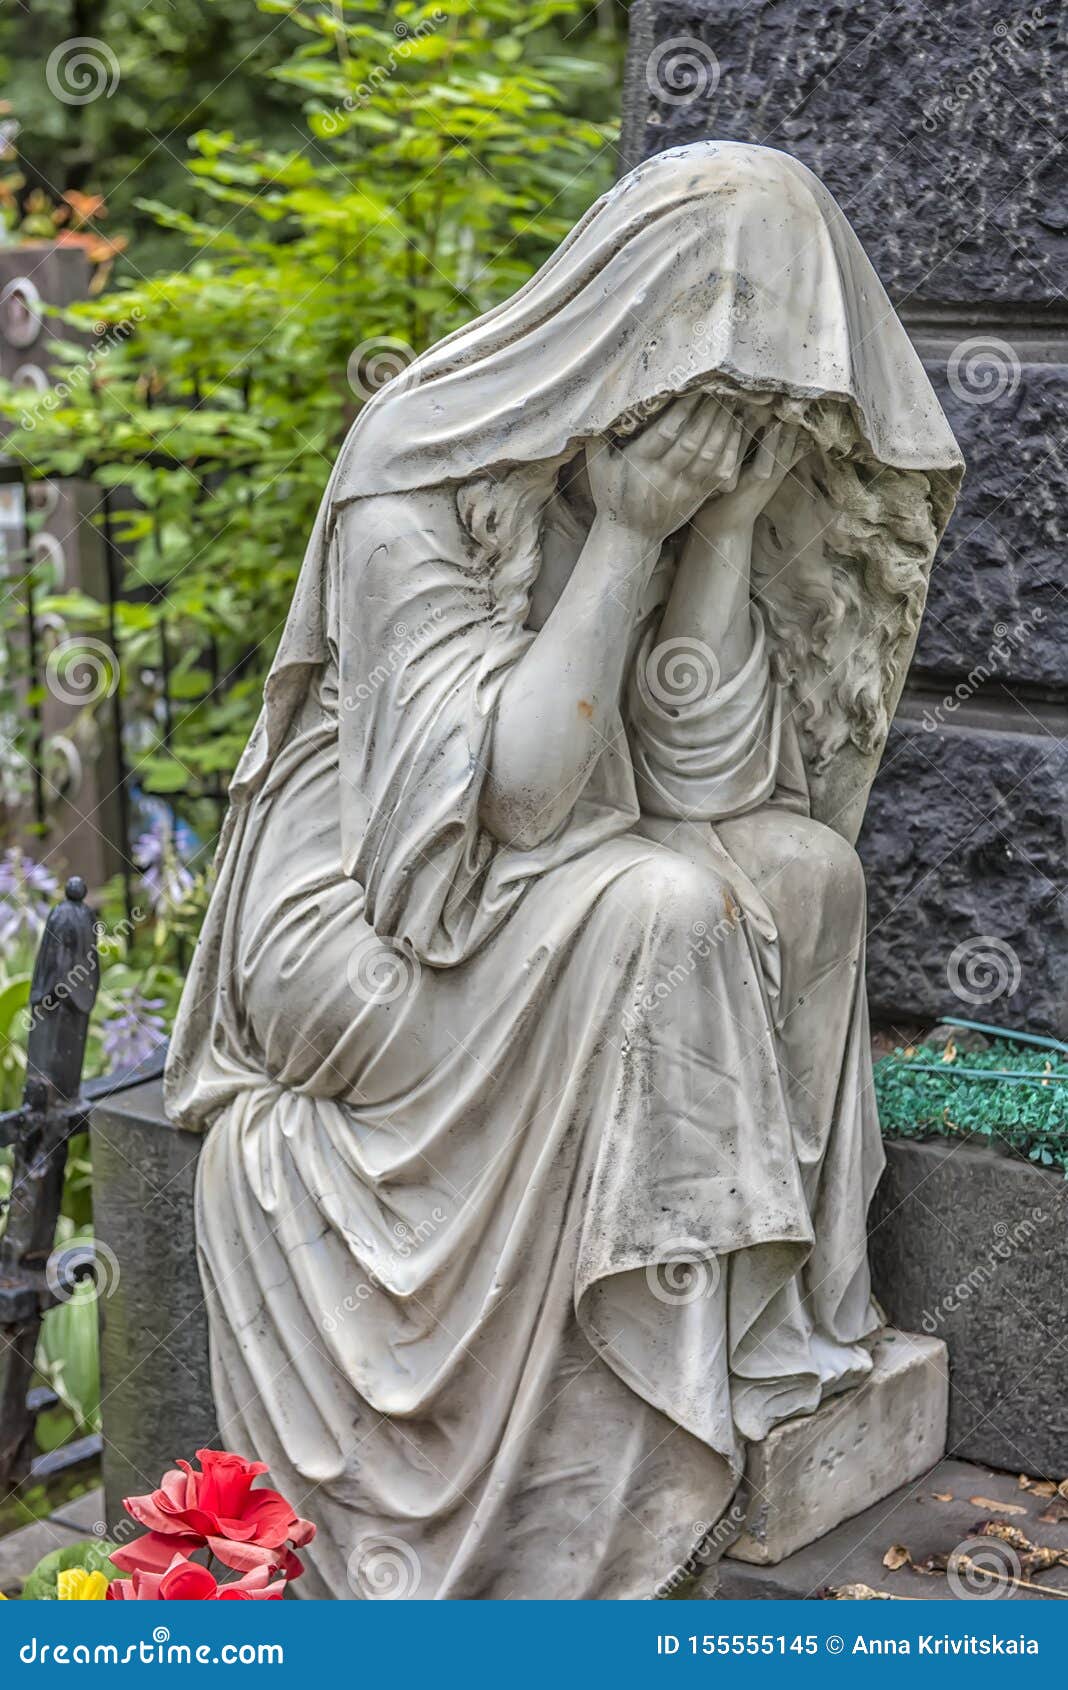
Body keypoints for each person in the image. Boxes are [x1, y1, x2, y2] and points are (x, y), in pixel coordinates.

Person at [167, 141, 963, 1599]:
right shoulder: (419, 458)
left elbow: (714, 784)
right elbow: (512, 807)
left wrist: (715, 536)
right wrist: (626, 532)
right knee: (662, 908)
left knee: (799, 874)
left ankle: (760, 1336)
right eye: (726, 376)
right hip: (365, 912)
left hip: (565, 854)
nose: (736, 418)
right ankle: (643, 1375)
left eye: (766, 394)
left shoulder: (687, 460)